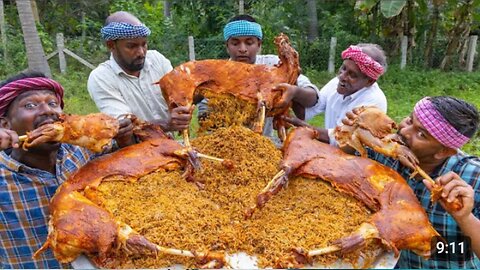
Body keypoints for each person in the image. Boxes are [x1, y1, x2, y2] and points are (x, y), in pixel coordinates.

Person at [0, 72, 134, 268]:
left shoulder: (81, 152)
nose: (47, 111)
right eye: (30, 105)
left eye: (53, 104)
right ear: (5, 124)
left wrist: (124, 137)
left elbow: (125, 156)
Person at [343, 96, 479, 268]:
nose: (405, 132)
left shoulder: (473, 178)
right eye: (409, 120)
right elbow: (344, 164)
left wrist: (465, 217)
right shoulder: (385, 152)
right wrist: (351, 133)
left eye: (421, 134)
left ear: (443, 152)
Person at [197, 14, 320, 138]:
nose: (242, 49)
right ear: (227, 46)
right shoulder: (217, 73)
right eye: (235, 43)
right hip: (226, 142)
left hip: (264, 144)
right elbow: (203, 111)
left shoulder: (274, 65)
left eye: (249, 43)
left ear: (259, 44)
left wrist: (294, 91)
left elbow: (313, 97)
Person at [88, 11, 192, 132]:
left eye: (144, 44)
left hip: (169, 145)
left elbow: (179, 97)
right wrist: (167, 125)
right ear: (111, 45)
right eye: (132, 46)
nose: (141, 53)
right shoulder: (101, 78)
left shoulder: (157, 60)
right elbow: (125, 128)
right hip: (131, 149)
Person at [303, 43, 388, 145]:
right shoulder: (336, 82)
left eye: (352, 75)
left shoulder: (374, 102)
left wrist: (304, 129)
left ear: (369, 82)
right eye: (343, 68)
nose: (342, 76)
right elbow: (312, 108)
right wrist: (294, 90)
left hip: (353, 159)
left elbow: (344, 140)